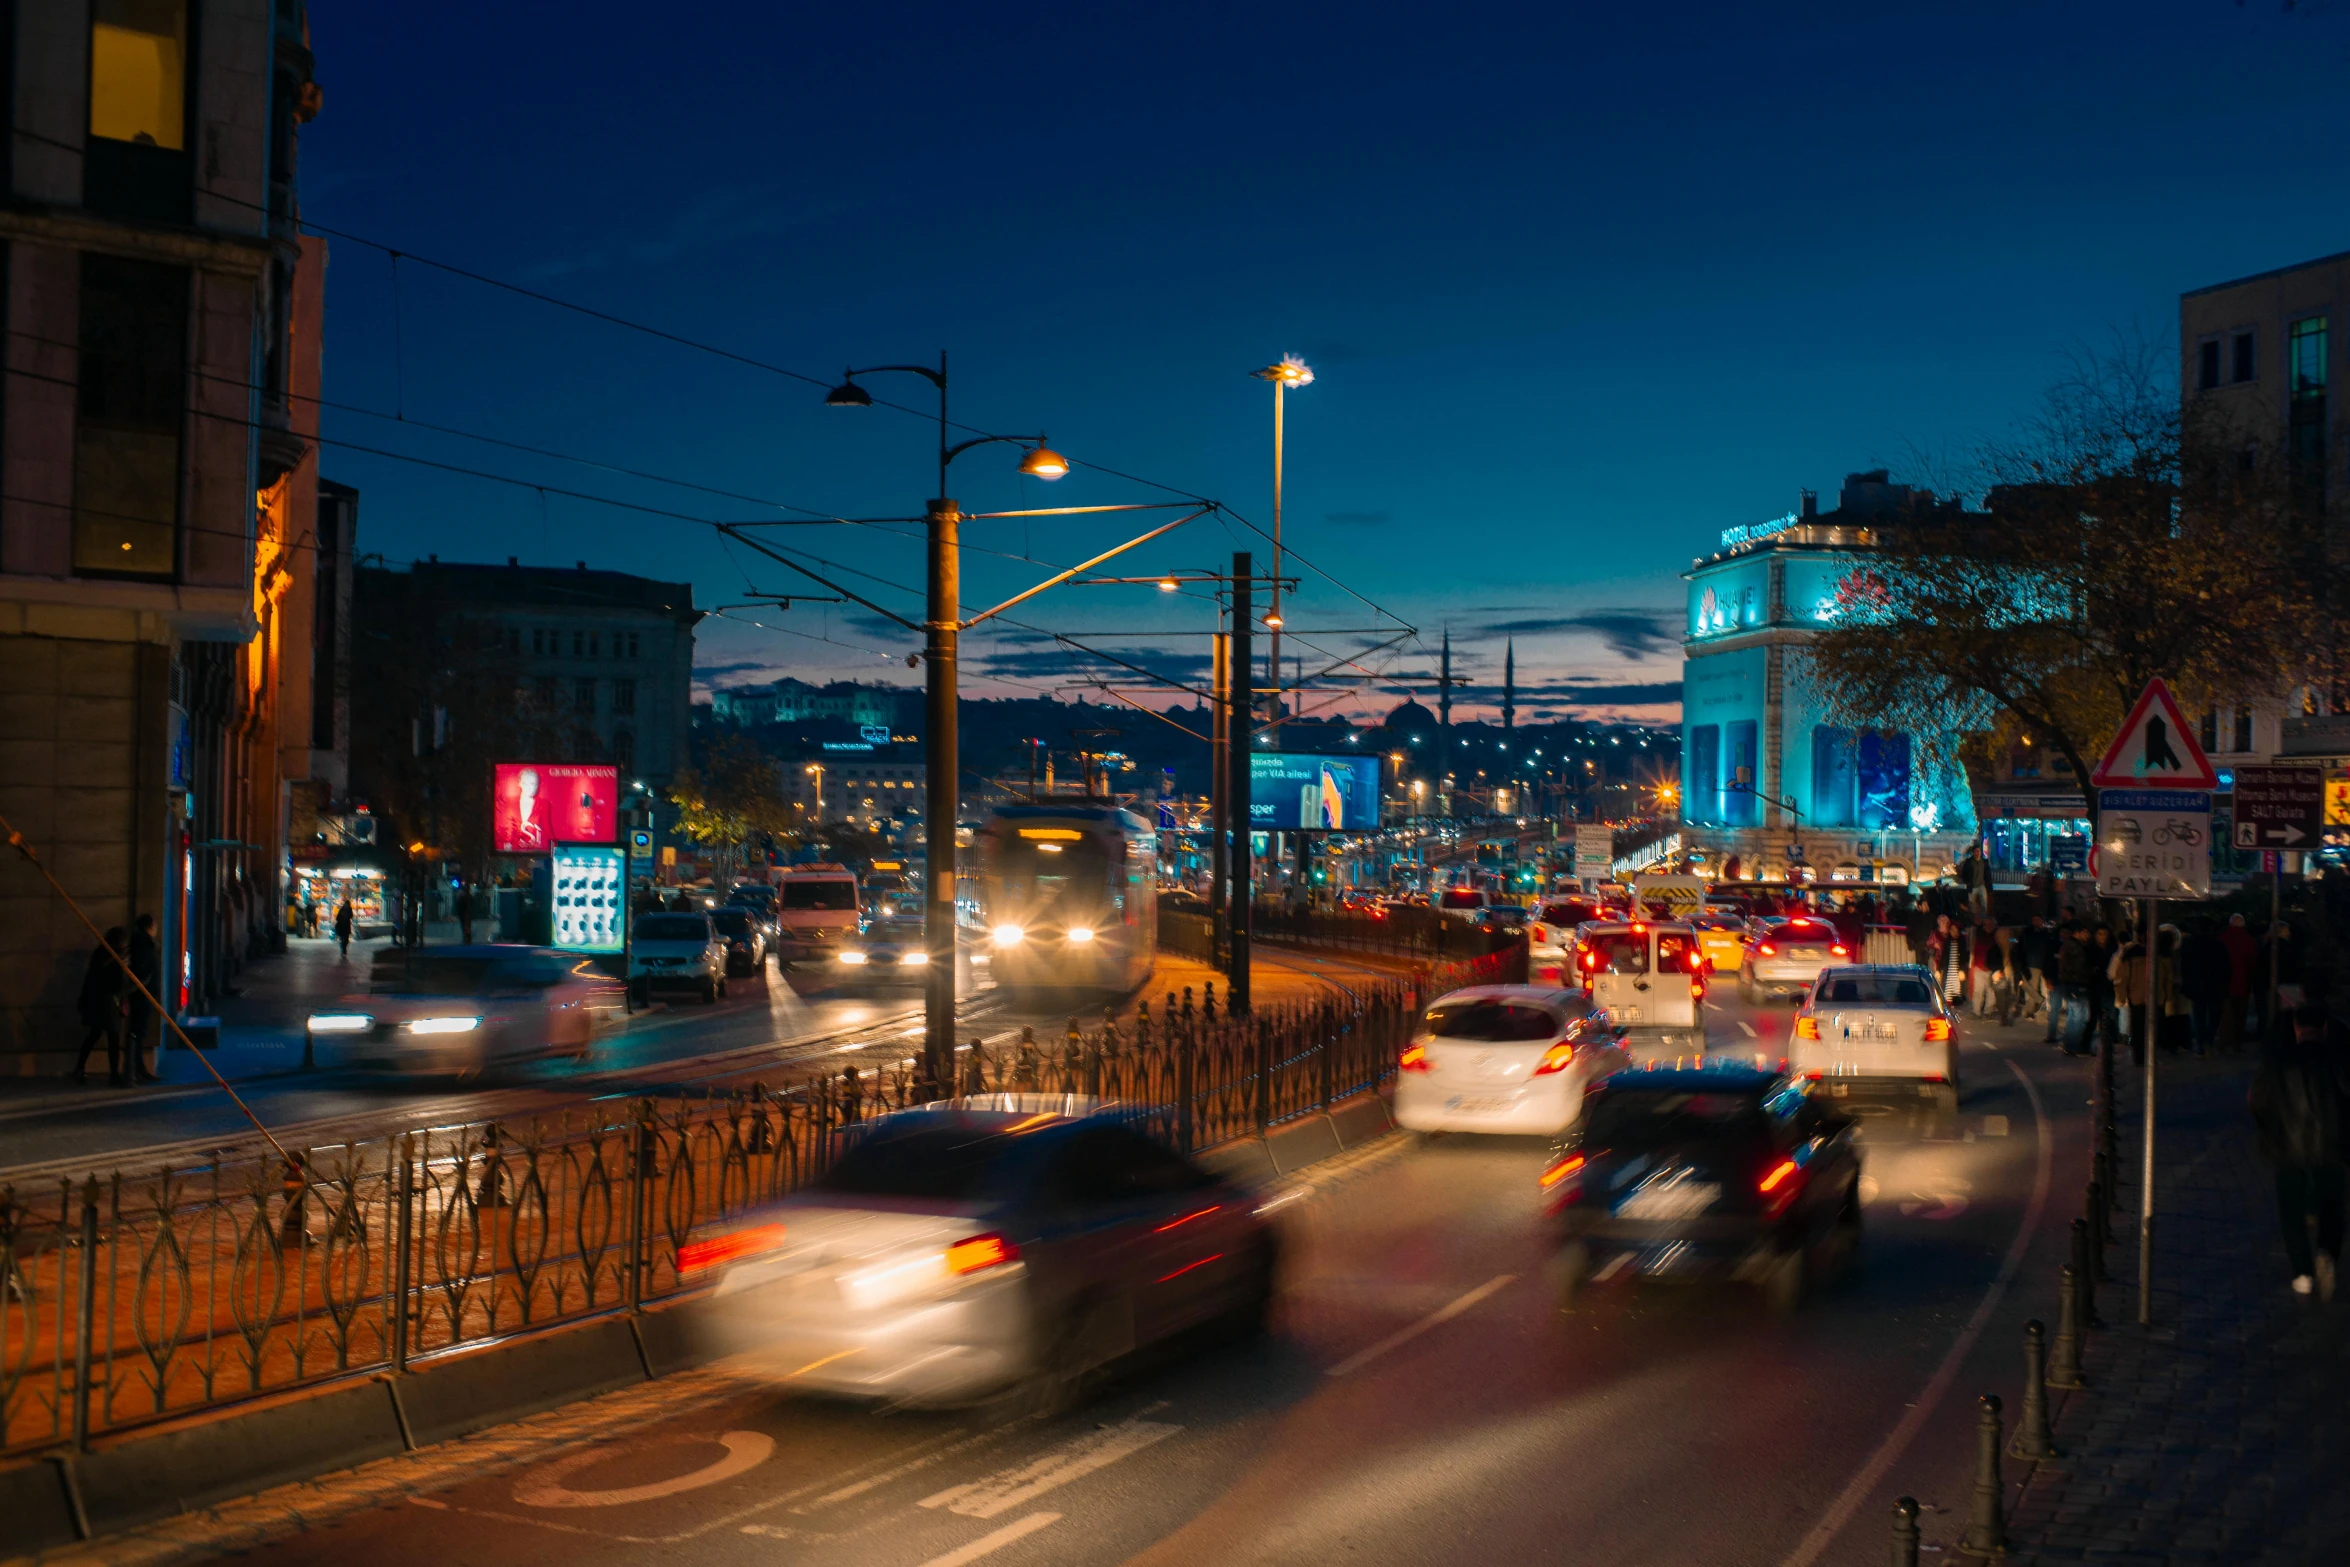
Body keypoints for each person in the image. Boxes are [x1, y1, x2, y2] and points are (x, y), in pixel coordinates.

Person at [2249, 1002, 2350, 1299]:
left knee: (2290, 1209)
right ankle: (2327, 1252)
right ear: (2325, 1028)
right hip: (2331, 1145)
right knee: (2332, 1205)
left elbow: (2258, 1101)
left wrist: (2269, 1130)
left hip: (2288, 1146)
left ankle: (2302, 1272)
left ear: (2296, 1028)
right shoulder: (2339, 1062)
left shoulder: (2279, 1061)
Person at [72, 928, 129, 1086]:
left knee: (96, 1035)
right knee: (111, 1038)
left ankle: (81, 1068)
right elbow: (115, 982)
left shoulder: (103, 954)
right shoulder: (111, 956)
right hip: (106, 1002)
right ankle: (113, 1074)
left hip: (100, 1001)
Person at [2179, 920, 2231, 1056]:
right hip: (2215, 986)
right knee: (2214, 1015)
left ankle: (2202, 1044)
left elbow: (2184, 966)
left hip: (2197, 986)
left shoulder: (2190, 945)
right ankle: (2208, 1039)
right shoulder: (2218, 945)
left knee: (2199, 1016)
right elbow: (2226, 967)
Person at [123, 913, 160, 1083]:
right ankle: (136, 1070)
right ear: (150, 926)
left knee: (137, 1031)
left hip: (142, 993)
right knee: (137, 1032)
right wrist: (144, 987)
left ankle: (136, 1069)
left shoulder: (140, 943)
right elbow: (144, 970)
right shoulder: (144, 945)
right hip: (142, 994)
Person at [2052, 922, 2094, 1053]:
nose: (2088, 935)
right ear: (2077, 933)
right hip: (2076, 984)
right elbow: (2079, 967)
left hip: (2071, 984)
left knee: (2073, 1015)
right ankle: (2074, 1046)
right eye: (2085, 932)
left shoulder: (2070, 945)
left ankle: (2070, 1045)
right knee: (2078, 1016)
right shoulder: (2075, 947)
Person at [2220, 912, 2258, 1049]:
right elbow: (2253, 963)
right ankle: (2237, 1042)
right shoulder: (2249, 941)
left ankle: (2225, 1042)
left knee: (2226, 1015)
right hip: (2243, 983)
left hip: (2224, 984)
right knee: (2240, 1015)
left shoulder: (2223, 939)